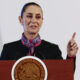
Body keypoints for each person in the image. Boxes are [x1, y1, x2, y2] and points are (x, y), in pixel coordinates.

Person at [0, 2, 78, 61]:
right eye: (29, 16)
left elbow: (65, 75)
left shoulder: (53, 50)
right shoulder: (9, 49)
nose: (34, 20)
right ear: (20, 20)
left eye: (38, 17)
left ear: (41, 21)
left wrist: (70, 56)